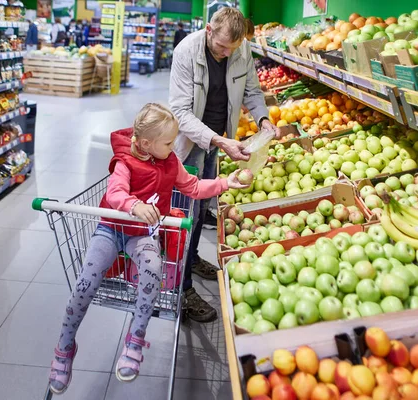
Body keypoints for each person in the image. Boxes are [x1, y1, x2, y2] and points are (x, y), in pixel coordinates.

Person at [47, 103, 248, 394]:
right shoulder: (124, 161)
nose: (174, 146)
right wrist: (134, 205)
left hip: (142, 234)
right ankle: (65, 346)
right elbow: (115, 193)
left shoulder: (171, 163)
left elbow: (192, 187)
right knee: (85, 284)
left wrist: (224, 183)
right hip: (112, 228)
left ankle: (135, 338)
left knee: (153, 267)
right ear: (146, 143)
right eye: (168, 142)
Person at [169, 7, 281, 322]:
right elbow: (178, 111)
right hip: (191, 142)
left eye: (231, 49)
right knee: (186, 213)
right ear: (208, 31)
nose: (225, 54)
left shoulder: (240, 49)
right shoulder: (186, 52)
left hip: (220, 139)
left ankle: (190, 260)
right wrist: (218, 141)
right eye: (220, 48)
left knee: (204, 205)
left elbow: (252, 91)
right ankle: (181, 288)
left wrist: (262, 118)